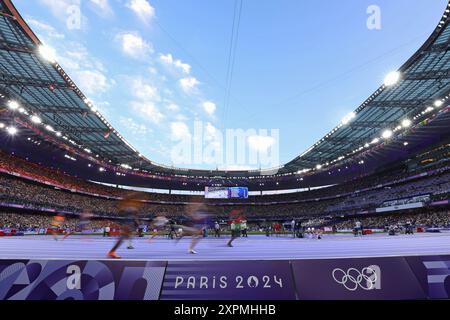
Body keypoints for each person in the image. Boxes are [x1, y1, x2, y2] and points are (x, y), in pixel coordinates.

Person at [107, 193, 143, 259]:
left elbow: (131, 216)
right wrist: (136, 224)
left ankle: (112, 251)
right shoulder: (129, 207)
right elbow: (132, 216)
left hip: (129, 224)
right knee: (123, 237)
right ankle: (112, 252)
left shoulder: (128, 207)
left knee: (124, 237)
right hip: (128, 224)